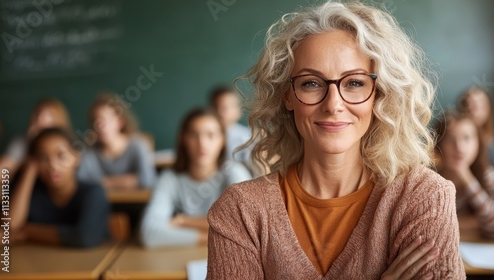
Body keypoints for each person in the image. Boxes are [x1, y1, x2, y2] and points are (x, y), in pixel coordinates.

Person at [206, 1, 464, 279]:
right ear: (288, 95)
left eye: (354, 83)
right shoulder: (240, 211)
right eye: (311, 83)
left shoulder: (422, 197)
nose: (333, 105)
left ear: (379, 94)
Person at [140, 108, 252, 248]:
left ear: (223, 140)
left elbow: (247, 227)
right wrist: (213, 236)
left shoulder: (234, 173)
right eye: (193, 135)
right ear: (183, 139)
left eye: (210, 135)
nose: (202, 143)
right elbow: (150, 234)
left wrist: (183, 221)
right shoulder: (169, 178)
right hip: (181, 259)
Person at [0, 128, 110, 247]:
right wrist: (29, 171)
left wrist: (27, 231)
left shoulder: (93, 192)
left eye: (61, 156)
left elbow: (84, 237)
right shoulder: (29, 189)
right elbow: (9, 227)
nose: (52, 165)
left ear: (76, 158)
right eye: (42, 157)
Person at [77, 93, 156, 189]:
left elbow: (148, 181)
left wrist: (103, 182)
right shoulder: (89, 151)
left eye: (106, 120)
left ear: (120, 121)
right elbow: (80, 184)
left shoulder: (138, 145)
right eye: (96, 122)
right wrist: (126, 181)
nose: (101, 127)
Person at [435, 111, 494, 239]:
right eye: (450, 139)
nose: (459, 147)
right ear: (439, 144)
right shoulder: (431, 179)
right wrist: (474, 223)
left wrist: (466, 177)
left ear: (478, 142)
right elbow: (431, 225)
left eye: (466, 138)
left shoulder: (488, 177)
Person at [0, 98, 71, 183]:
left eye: (48, 115)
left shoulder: (70, 147)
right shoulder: (23, 141)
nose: (39, 119)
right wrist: (30, 145)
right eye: (37, 115)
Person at [210, 85, 253, 168]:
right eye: (216, 106)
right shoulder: (202, 135)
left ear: (238, 110)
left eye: (225, 107)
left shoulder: (248, 137)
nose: (220, 112)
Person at [458, 86, 494, 164]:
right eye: (466, 104)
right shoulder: (449, 143)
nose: (470, 110)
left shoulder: (490, 147)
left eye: (476, 105)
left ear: (487, 110)